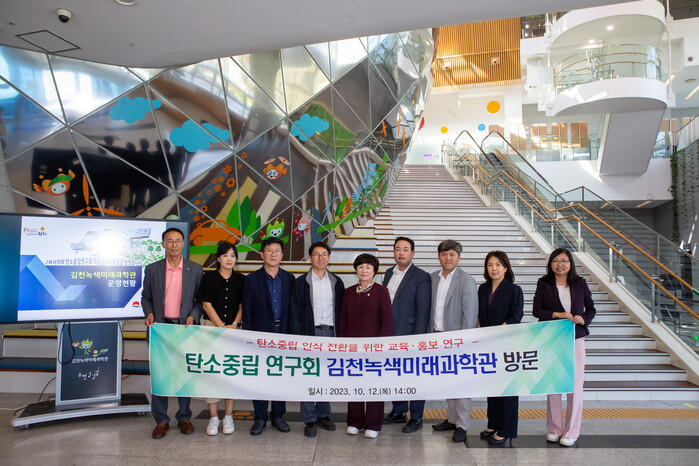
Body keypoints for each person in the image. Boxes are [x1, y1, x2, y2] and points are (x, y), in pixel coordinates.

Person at [142, 227, 203, 439]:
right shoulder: (152, 269)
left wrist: (193, 316)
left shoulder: (195, 269)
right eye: (170, 241)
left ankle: (184, 417)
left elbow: (200, 301)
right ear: (163, 244)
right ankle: (161, 420)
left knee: (184, 374)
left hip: (184, 329)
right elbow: (146, 297)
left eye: (178, 241)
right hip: (160, 329)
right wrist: (149, 313)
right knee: (160, 375)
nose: (174, 245)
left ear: (183, 244)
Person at [533, 248, 596, 447]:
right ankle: (554, 428)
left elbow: (591, 309)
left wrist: (583, 319)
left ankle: (571, 431)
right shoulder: (544, 283)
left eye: (564, 261)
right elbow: (537, 310)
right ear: (550, 263)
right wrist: (558, 315)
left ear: (570, 264)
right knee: (554, 384)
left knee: (575, 386)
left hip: (575, 338)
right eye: (556, 261)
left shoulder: (580, 283)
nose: (560, 264)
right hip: (552, 337)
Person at [289, 241, 345, 438]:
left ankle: (323, 414)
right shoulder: (300, 282)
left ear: (329, 258)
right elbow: (295, 311)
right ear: (310, 258)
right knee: (308, 375)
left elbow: (342, 311)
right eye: (316, 254)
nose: (321, 258)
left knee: (326, 376)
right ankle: (309, 419)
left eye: (324, 254)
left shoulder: (337, 282)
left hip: (331, 334)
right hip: (309, 333)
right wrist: (297, 337)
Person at [241, 237, 295, 436]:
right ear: (262, 254)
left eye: (277, 251)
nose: (273, 254)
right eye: (269, 250)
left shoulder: (290, 279)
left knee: (281, 375)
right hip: (260, 334)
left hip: (283, 333)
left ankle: (278, 416)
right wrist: (249, 337)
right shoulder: (251, 279)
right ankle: (260, 417)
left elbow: (293, 309)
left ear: (282, 255)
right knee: (260, 375)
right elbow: (247, 311)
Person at [429, 240, 478, 443]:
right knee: (447, 379)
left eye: (452, 254)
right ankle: (451, 418)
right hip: (436, 336)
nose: (448, 258)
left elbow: (470, 313)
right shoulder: (432, 278)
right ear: (439, 256)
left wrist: (465, 340)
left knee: (461, 382)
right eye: (444, 254)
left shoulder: (466, 280)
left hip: (457, 338)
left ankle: (462, 424)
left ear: (459, 257)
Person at [340, 253, 392, 439]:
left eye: (368, 267)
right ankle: (354, 421)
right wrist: (344, 345)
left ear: (374, 271)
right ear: (356, 269)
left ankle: (373, 424)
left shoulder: (381, 291)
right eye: (361, 266)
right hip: (353, 348)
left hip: (374, 348)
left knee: (374, 384)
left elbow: (387, 321)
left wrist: (380, 347)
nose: (364, 270)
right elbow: (343, 320)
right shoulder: (348, 292)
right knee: (354, 383)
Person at [382, 236, 431, 433]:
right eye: (397, 249)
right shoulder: (388, 273)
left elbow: (423, 311)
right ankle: (399, 411)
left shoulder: (421, 277)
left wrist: (418, 339)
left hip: (410, 334)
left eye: (405, 249)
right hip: (389, 333)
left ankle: (416, 416)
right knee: (395, 373)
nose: (401, 253)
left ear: (413, 253)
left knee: (415, 375)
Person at [197, 241, 244, 436]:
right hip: (211, 329)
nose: (229, 259)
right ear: (218, 258)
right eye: (225, 255)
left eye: (232, 255)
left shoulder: (241, 279)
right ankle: (214, 417)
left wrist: (234, 324)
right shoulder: (208, 278)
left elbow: (242, 305)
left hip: (234, 330)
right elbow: (206, 305)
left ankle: (228, 416)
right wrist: (220, 327)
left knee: (231, 372)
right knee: (213, 371)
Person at [477, 251, 524, 446]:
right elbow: (480, 314)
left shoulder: (514, 290)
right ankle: (493, 423)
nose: (494, 268)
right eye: (490, 265)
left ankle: (506, 429)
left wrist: (499, 331)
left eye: (498, 264)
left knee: (508, 389)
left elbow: (516, 316)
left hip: (506, 344)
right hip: (488, 343)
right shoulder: (483, 289)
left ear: (506, 267)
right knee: (492, 386)